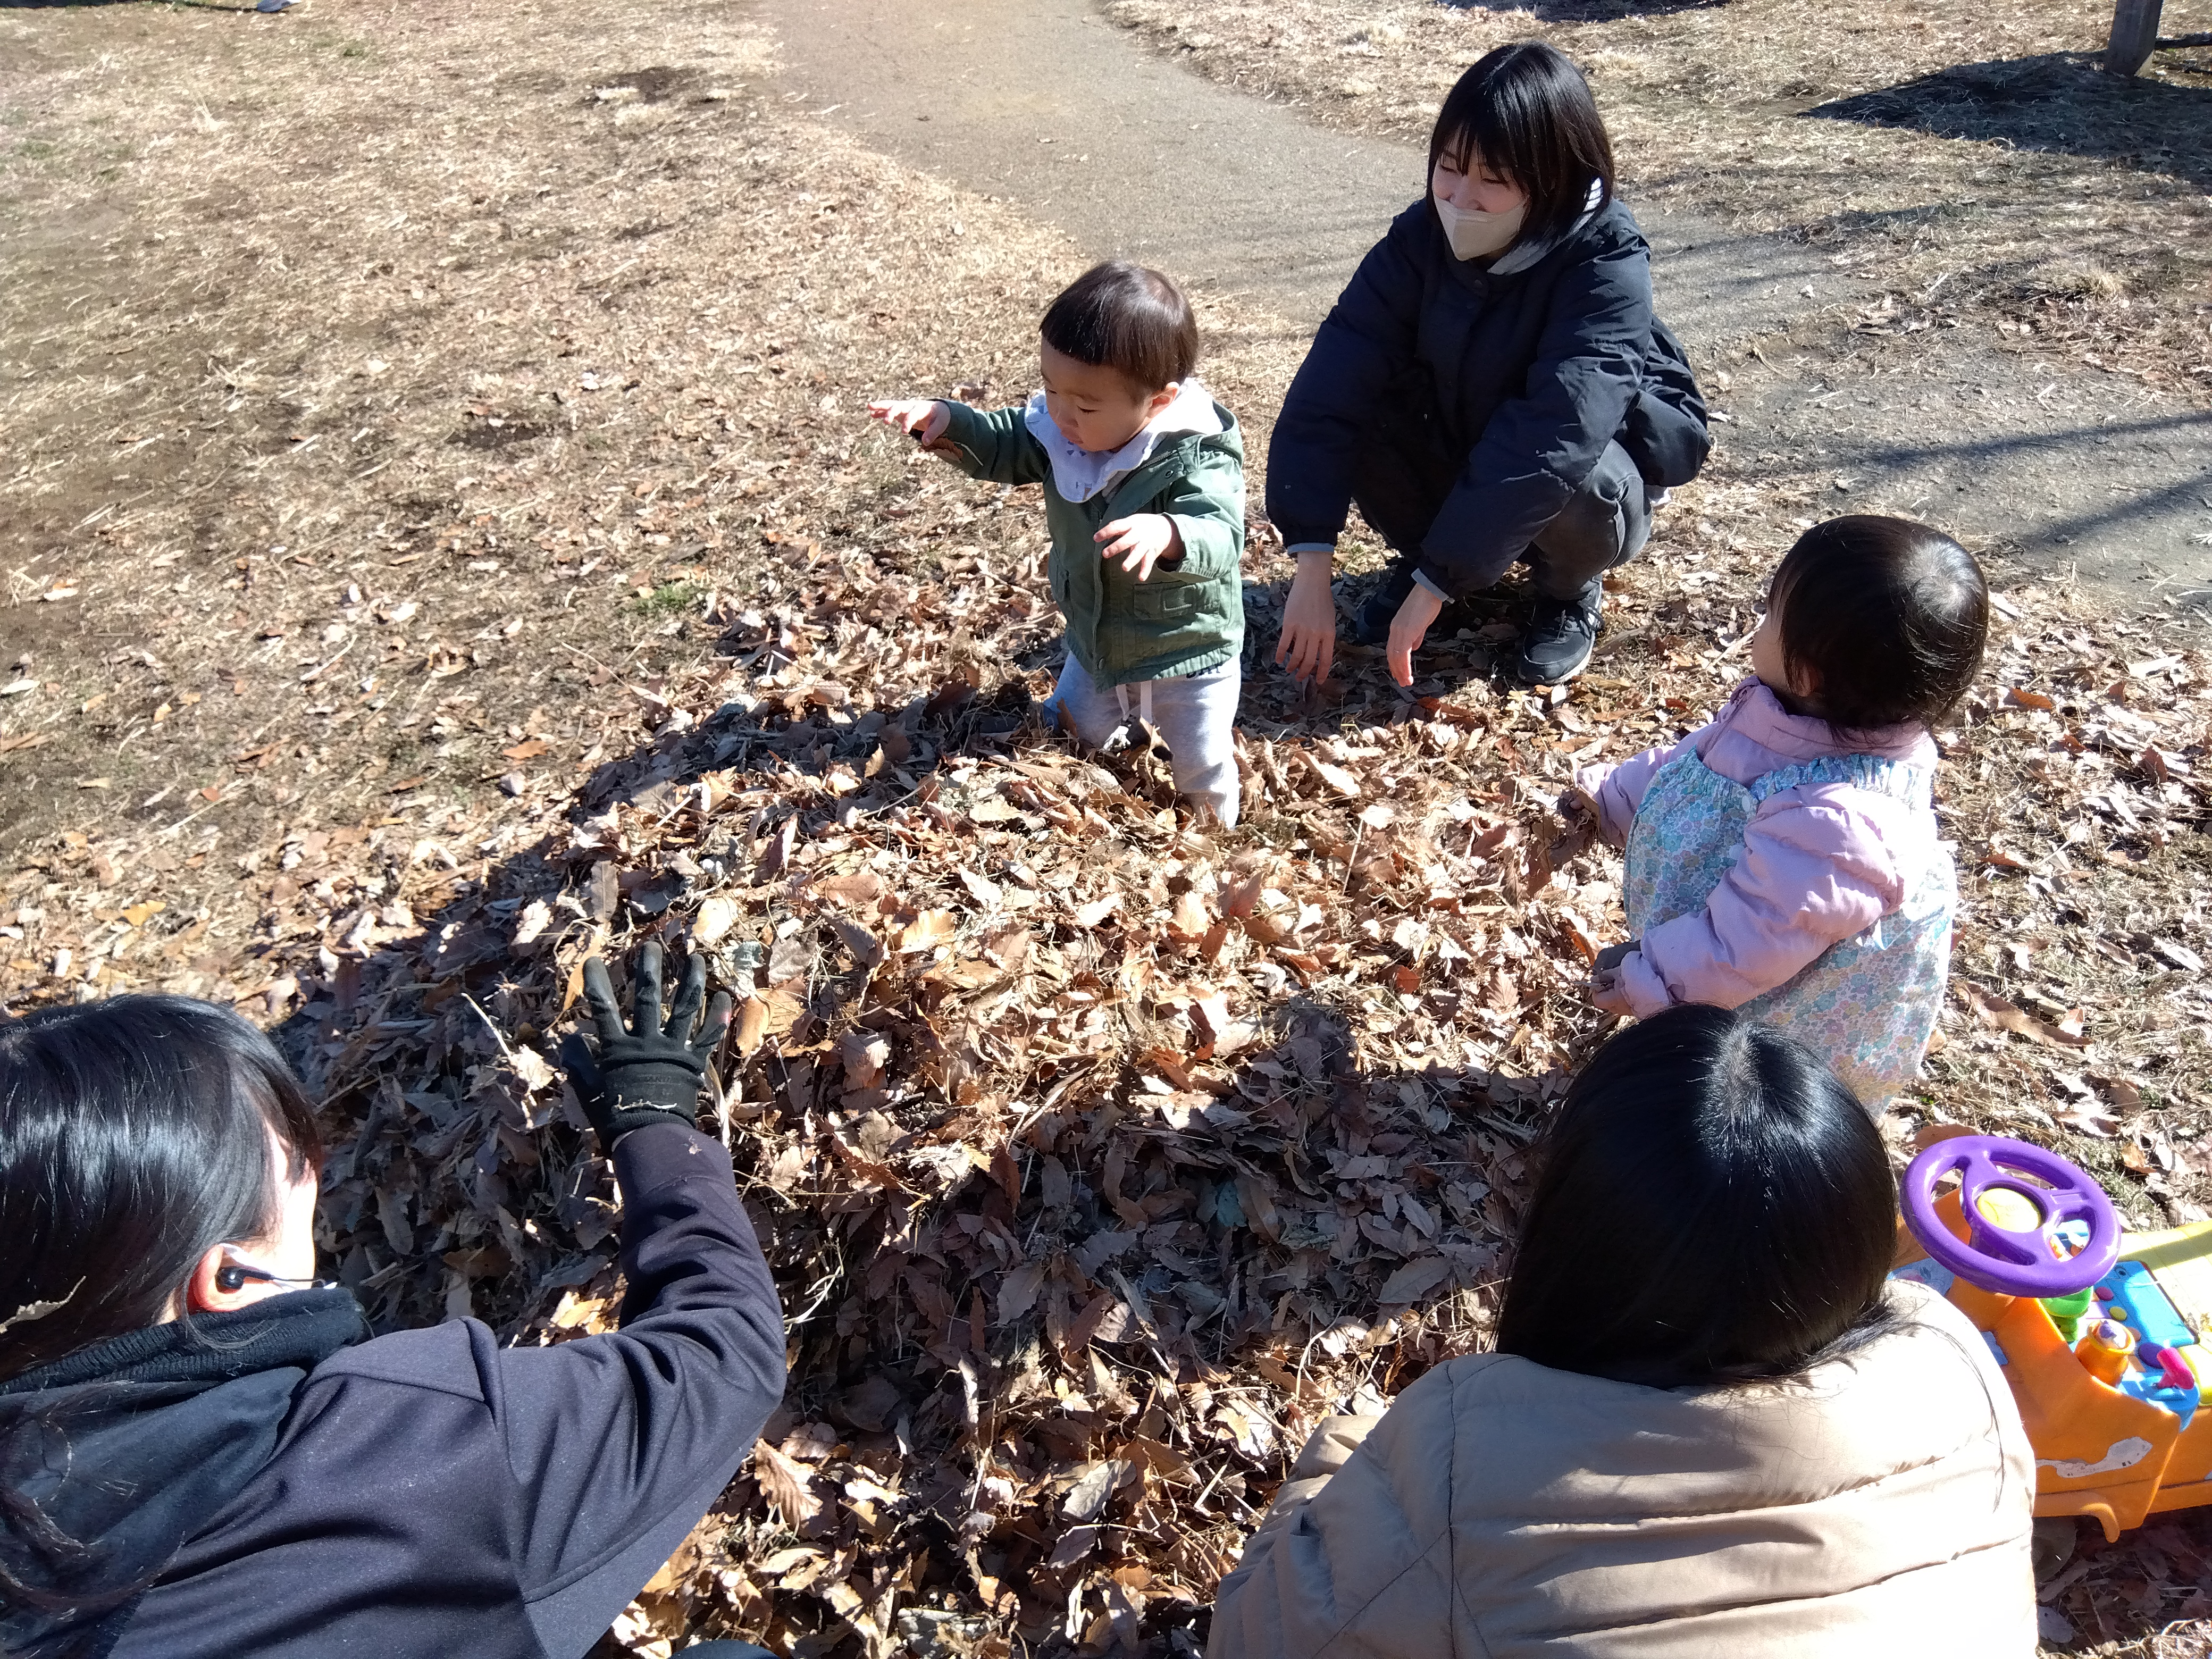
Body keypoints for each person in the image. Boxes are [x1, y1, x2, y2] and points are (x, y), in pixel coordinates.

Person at [0, 945, 784, 1659]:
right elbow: (722, 1355)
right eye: (294, 1163)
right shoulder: (409, 1451)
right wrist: (655, 1125)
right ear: (226, 1279)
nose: (317, 1168)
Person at [1208, 1005, 2038, 1658]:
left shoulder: (1465, 1459)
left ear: (1577, 1238)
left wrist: (1357, 1455)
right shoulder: (1957, 1367)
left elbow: (1255, 1639)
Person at [1269, 41, 1709, 690]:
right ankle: (1425, 558)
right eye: (1449, 168)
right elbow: (1332, 382)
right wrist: (1311, 562)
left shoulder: (1605, 261)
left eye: (1493, 180)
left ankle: (1565, 593)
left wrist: (1436, 584)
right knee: (1367, 407)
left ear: (1553, 180)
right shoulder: (1418, 238)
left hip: (1572, 475)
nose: (1461, 199)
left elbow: (1554, 435)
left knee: (1579, 472)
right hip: (1464, 435)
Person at [1571, 514, 1988, 1108]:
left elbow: (1741, 948)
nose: (1758, 623)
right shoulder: (1784, 719)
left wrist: (1650, 974)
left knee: (1736, 1097)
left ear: (1806, 672)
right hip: (1716, 968)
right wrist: (1612, 798)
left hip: (1777, 1011)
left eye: (1770, 614)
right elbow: (1699, 763)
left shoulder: (1841, 823)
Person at [869, 261, 1248, 825]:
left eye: (1086, 405)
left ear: (1158, 402)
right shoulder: (1060, 429)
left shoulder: (1195, 450)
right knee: (1069, 730)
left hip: (1188, 653)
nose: (1062, 414)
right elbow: (1005, 442)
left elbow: (1220, 531)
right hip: (1097, 642)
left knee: (1200, 760)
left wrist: (1171, 533)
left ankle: (1215, 830)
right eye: (1050, 388)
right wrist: (948, 421)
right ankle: (1094, 768)